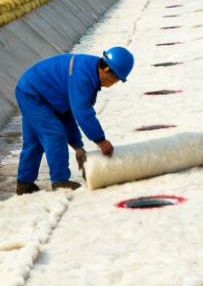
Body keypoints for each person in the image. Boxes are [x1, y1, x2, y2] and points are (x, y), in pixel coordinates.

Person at [14, 47, 133, 193]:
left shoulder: (90, 71)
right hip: (33, 94)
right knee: (55, 134)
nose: (114, 83)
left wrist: (78, 147)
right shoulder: (84, 76)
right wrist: (101, 141)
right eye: (115, 78)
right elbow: (82, 112)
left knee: (34, 142)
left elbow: (68, 113)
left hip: (39, 93)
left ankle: (24, 184)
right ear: (106, 69)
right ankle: (60, 181)